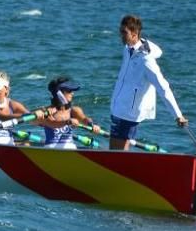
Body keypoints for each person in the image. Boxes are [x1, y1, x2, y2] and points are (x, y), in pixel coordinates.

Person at [109, 14, 188, 151]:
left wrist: (178, 115)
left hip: (129, 113)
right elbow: (158, 50)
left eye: (124, 32)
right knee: (113, 152)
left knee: (118, 153)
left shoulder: (146, 61)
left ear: (134, 34)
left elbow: (163, 88)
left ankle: (120, 171)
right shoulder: (127, 49)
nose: (121, 36)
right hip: (117, 108)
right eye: (120, 31)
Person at [37, 77, 92, 150]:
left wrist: (91, 124)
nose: (72, 93)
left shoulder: (74, 111)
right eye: (69, 91)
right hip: (50, 149)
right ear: (59, 93)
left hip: (70, 148)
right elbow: (52, 124)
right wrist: (67, 122)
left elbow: (84, 119)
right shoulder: (47, 111)